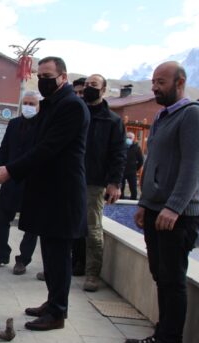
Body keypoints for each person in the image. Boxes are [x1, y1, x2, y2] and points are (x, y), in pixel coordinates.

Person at [0, 56, 89, 331]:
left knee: (58, 255)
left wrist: (11, 170)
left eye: (48, 76)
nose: (43, 81)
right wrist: (7, 164)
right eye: (40, 76)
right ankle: (53, 301)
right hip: (47, 192)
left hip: (62, 194)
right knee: (50, 253)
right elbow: (31, 143)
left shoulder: (71, 107)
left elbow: (47, 149)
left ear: (63, 77)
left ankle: (57, 313)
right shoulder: (51, 106)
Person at [126, 62, 199, 343]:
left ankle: (169, 341)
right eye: (153, 81)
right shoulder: (163, 116)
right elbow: (152, 165)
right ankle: (161, 334)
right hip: (155, 210)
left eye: (161, 82)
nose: (154, 87)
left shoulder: (194, 116)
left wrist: (174, 207)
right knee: (160, 275)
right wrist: (144, 203)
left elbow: (192, 168)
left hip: (178, 216)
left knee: (172, 279)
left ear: (180, 82)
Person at [0, 91, 42, 276]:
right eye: (25, 103)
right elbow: (4, 148)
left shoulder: (44, 126)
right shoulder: (14, 123)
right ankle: (2, 254)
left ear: (39, 106)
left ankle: (23, 260)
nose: (28, 106)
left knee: (31, 224)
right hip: (10, 178)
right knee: (1, 217)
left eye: (32, 104)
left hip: (32, 182)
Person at [80, 74, 127, 292]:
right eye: (87, 85)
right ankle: (68, 266)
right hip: (71, 179)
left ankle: (92, 274)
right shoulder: (76, 113)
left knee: (93, 228)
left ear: (104, 90)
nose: (89, 89)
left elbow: (119, 154)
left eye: (94, 86)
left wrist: (114, 183)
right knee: (65, 225)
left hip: (95, 182)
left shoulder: (112, 121)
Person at [121, 132, 144, 199]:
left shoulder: (136, 147)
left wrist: (135, 168)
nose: (128, 139)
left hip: (132, 171)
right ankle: (120, 199)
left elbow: (141, 160)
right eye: (127, 137)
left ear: (133, 139)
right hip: (122, 170)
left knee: (133, 187)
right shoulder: (122, 146)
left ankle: (133, 199)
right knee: (121, 187)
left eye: (130, 138)